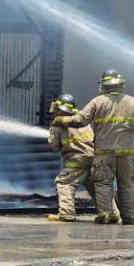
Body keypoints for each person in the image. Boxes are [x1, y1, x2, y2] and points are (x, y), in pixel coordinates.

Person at [55, 70, 134, 224]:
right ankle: (130, 217)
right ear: (120, 84)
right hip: (127, 153)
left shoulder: (98, 101)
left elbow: (80, 121)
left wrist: (61, 121)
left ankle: (104, 215)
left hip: (104, 153)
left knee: (103, 184)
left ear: (104, 85)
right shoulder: (132, 101)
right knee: (127, 185)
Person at [45, 94, 95, 223]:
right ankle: (111, 212)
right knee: (97, 186)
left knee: (64, 182)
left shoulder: (57, 124)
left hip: (76, 160)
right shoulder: (82, 120)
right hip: (94, 158)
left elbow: (54, 147)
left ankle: (66, 214)